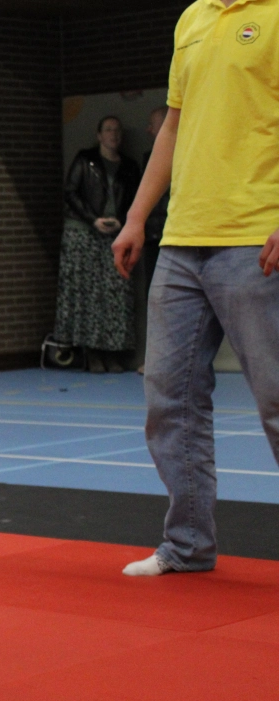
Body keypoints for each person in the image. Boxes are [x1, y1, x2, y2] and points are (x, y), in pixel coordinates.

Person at [112, 1, 279, 577]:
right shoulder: (194, 17)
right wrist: (137, 216)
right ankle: (187, 545)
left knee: (277, 400)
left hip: (254, 238)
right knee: (169, 401)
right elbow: (174, 127)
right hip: (182, 241)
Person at [57, 116, 142, 374]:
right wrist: (93, 219)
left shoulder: (129, 166)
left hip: (116, 234)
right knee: (89, 294)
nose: (113, 134)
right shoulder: (86, 160)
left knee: (116, 295)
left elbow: (136, 198)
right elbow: (71, 192)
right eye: (108, 130)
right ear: (99, 135)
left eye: (117, 130)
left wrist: (123, 221)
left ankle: (113, 353)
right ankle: (92, 354)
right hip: (85, 232)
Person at [135, 106, 171, 374]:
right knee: (155, 299)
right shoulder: (150, 159)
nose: (149, 129)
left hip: (175, 237)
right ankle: (157, 360)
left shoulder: (185, 153)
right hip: (152, 237)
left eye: (154, 124)